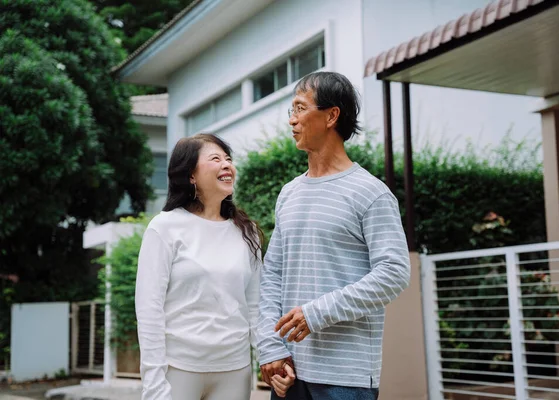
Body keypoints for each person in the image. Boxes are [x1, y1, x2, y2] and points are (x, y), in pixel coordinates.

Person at [257, 71, 411, 400]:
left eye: (300, 109)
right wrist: (271, 348)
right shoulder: (288, 193)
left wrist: (316, 313)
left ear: (331, 115)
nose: (292, 120)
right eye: (291, 111)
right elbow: (272, 274)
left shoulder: (371, 193)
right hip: (290, 372)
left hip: (347, 379)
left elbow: (394, 273)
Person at [135, 133, 263, 400]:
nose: (227, 165)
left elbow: (256, 306)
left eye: (228, 159)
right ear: (191, 175)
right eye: (215, 159)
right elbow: (149, 310)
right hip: (179, 369)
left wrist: (268, 357)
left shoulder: (246, 232)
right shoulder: (165, 227)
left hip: (234, 370)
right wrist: (154, 382)